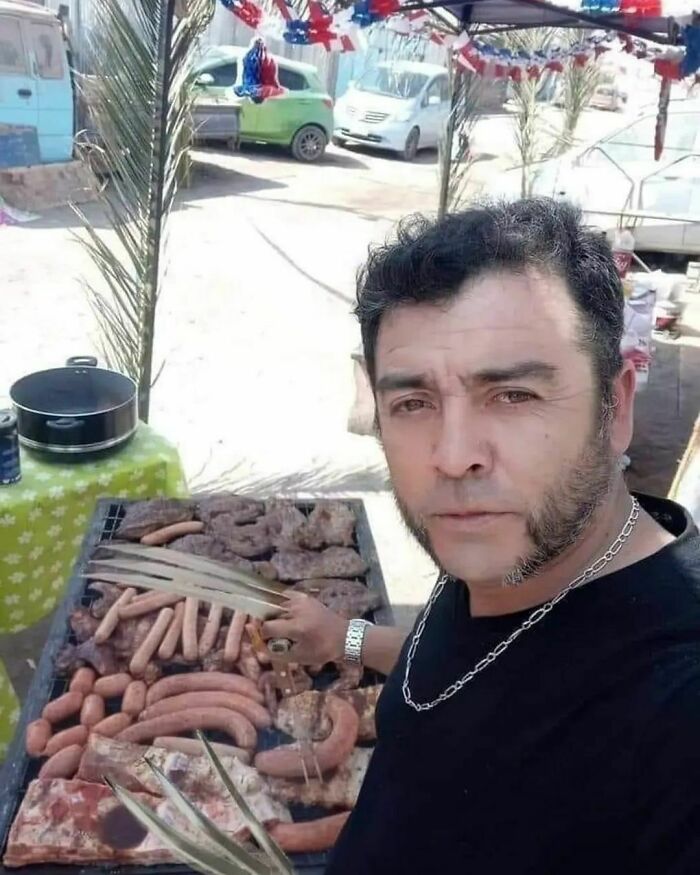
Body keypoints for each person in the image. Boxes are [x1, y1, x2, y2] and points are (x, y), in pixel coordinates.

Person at [262, 199, 700, 874]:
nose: (452, 453)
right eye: (413, 403)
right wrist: (343, 636)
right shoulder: (509, 552)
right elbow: (474, 663)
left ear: (615, 408)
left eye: (513, 395)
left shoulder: (675, 706)